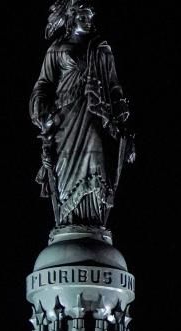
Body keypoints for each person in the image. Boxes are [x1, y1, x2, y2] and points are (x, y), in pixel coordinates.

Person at [31, 0, 137, 230]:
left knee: (95, 160)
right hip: (64, 118)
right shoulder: (57, 49)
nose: (87, 21)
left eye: (90, 17)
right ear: (71, 19)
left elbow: (113, 84)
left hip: (94, 115)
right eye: (82, 17)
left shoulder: (101, 49)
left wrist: (120, 110)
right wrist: (41, 110)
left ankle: (93, 220)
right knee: (64, 165)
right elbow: (44, 84)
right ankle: (68, 220)